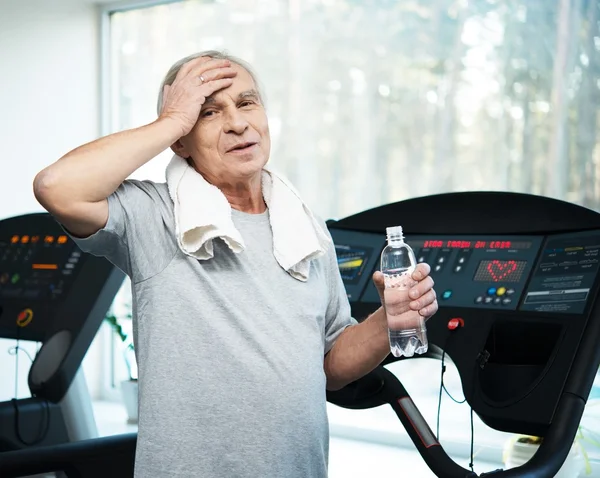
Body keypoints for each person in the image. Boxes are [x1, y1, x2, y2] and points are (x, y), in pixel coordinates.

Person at [33, 51, 438, 478]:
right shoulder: (155, 216)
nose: (238, 123)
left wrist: (386, 322)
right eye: (209, 112)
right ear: (182, 140)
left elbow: (330, 366)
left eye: (247, 102)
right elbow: (57, 187)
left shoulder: (302, 225)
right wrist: (171, 120)